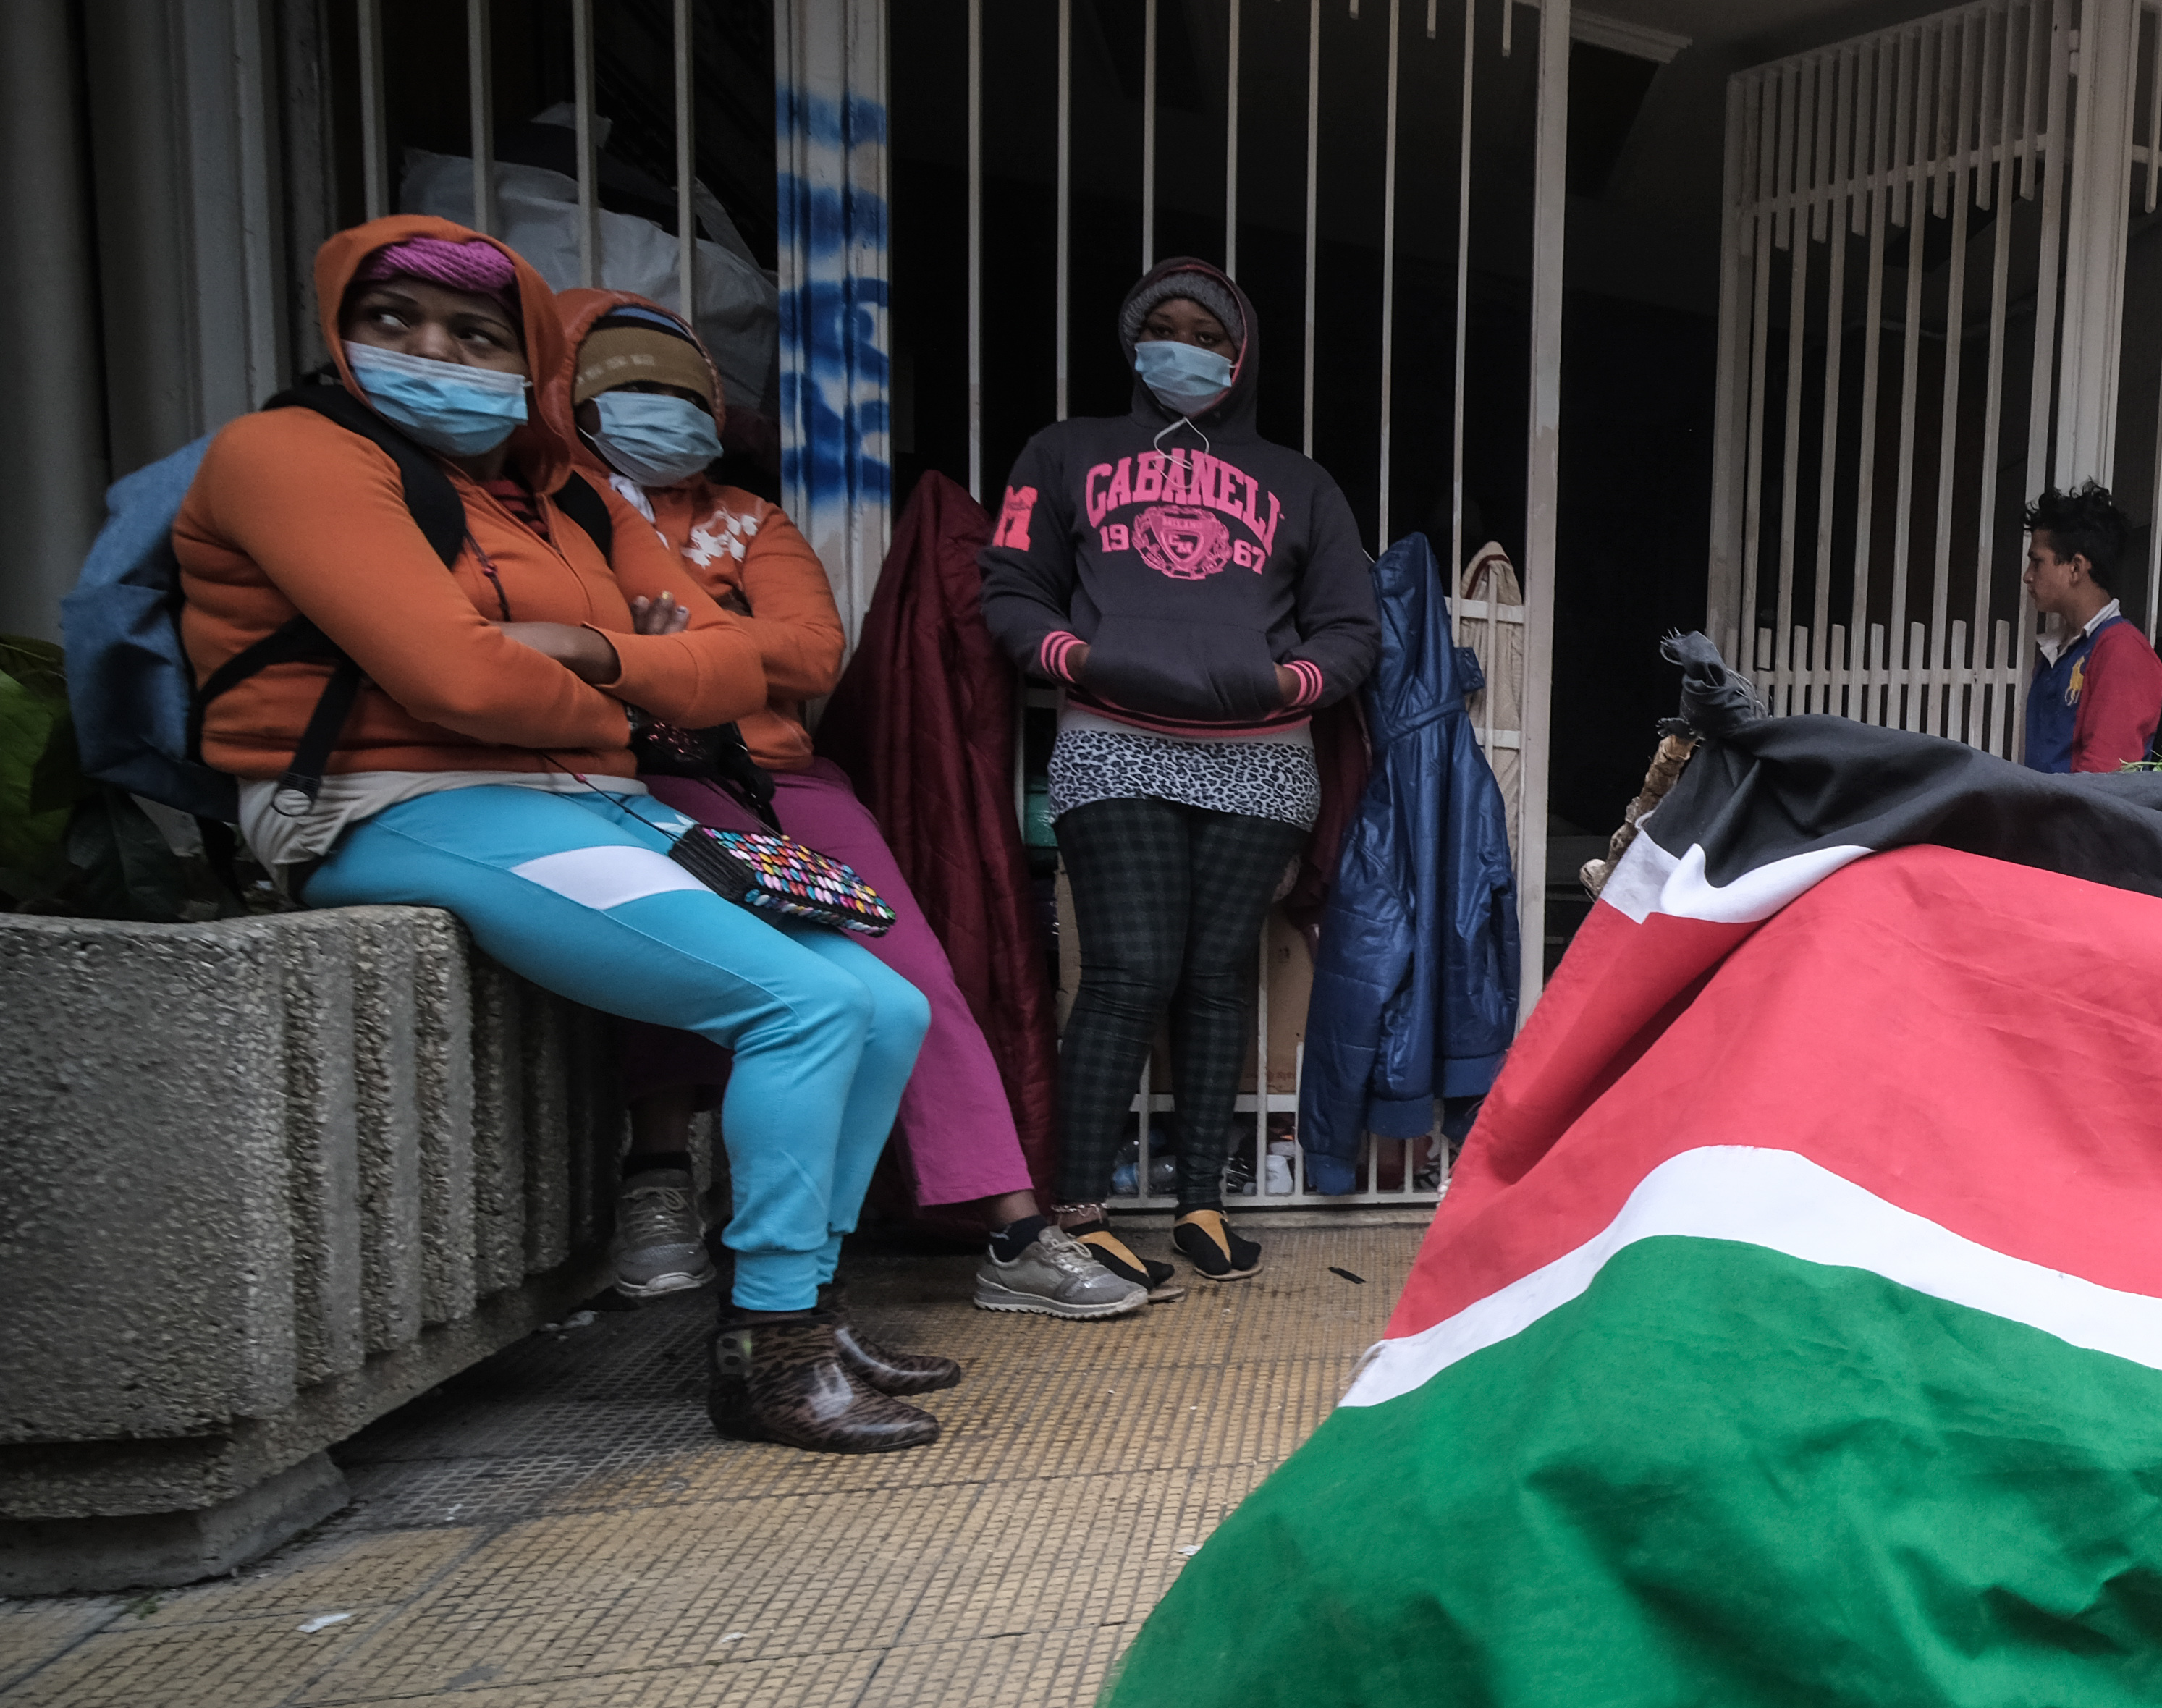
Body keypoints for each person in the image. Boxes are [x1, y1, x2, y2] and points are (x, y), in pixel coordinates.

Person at [174, 214, 947, 1450]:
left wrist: (587, 650)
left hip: (590, 800)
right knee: (800, 1005)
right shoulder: (290, 454)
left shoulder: (570, 496)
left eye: (475, 333)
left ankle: (807, 1306)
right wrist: (634, 679)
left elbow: (738, 667)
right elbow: (459, 687)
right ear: (340, 333)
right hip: (398, 802)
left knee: (885, 1006)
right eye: (394, 322)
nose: (433, 351)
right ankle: (767, 1348)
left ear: (525, 358)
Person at [552, 290, 1144, 1324]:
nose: (667, 413)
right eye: (632, 392)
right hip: (630, 776)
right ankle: (658, 1185)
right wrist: (707, 650)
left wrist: (646, 650)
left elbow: (808, 654)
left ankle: (1010, 1227)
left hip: (781, 775)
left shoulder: (754, 520)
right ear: (573, 404)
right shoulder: (556, 509)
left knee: (913, 975)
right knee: (691, 967)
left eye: (682, 393)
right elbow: (558, 641)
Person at [981, 258, 1380, 1292]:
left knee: (1213, 980)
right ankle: (1077, 1208)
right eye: (1163, 326)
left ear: (1240, 353)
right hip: (1115, 741)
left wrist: (1288, 681)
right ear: (1131, 343)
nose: (1184, 346)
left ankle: (1203, 1200)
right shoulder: (1063, 453)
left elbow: (1351, 628)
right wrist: (1079, 659)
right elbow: (1013, 589)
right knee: (1126, 973)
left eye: (1208, 332)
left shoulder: (1304, 483)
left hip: (1262, 758)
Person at [2018, 483, 2162, 773]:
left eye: (2037, 563)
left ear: (2075, 568)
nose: (2028, 576)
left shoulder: (2122, 651)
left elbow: (2104, 781)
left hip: (2076, 817)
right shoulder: (2056, 654)